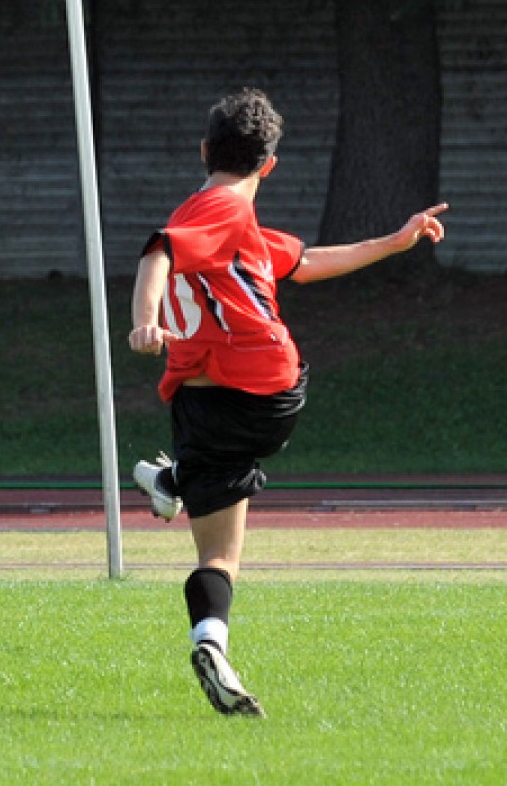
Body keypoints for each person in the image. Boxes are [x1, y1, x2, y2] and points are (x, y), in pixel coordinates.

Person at [127, 87, 447, 718]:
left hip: (204, 409)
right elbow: (159, 249)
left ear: (203, 150)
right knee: (221, 554)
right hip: (266, 394)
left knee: (215, 553)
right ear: (269, 165)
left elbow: (305, 260)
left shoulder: (231, 231)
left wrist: (394, 240)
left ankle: (178, 496)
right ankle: (210, 639)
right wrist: (143, 320)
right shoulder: (221, 210)